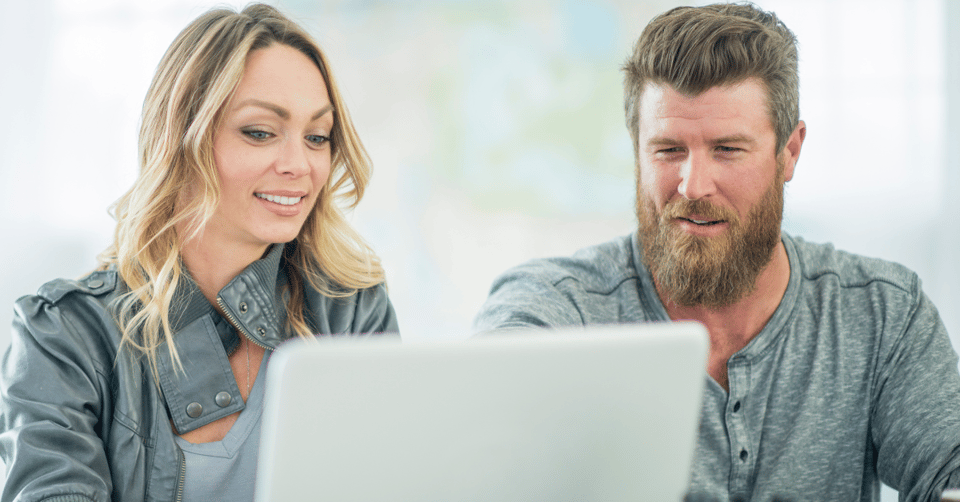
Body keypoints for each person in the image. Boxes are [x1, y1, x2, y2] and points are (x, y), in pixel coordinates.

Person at [473, 3, 960, 501]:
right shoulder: (556, 309)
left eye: (727, 149)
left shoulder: (883, 316)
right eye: (667, 150)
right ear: (637, 150)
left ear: (789, 152)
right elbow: (482, 437)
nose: (693, 185)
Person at [0, 4, 398, 501]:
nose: (301, 164)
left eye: (317, 137)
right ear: (179, 140)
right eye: (260, 132)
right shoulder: (63, 335)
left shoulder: (350, 307)